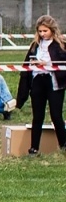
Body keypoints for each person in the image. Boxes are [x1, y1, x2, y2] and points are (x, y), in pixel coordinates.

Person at [17, 15, 66, 155]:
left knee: (56, 115)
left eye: (45, 31)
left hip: (54, 82)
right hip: (38, 80)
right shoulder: (35, 45)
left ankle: (64, 144)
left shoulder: (61, 45)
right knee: (37, 116)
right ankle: (34, 148)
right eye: (40, 31)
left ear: (52, 30)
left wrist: (46, 64)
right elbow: (25, 66)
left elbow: (62, 63)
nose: (42, 34)